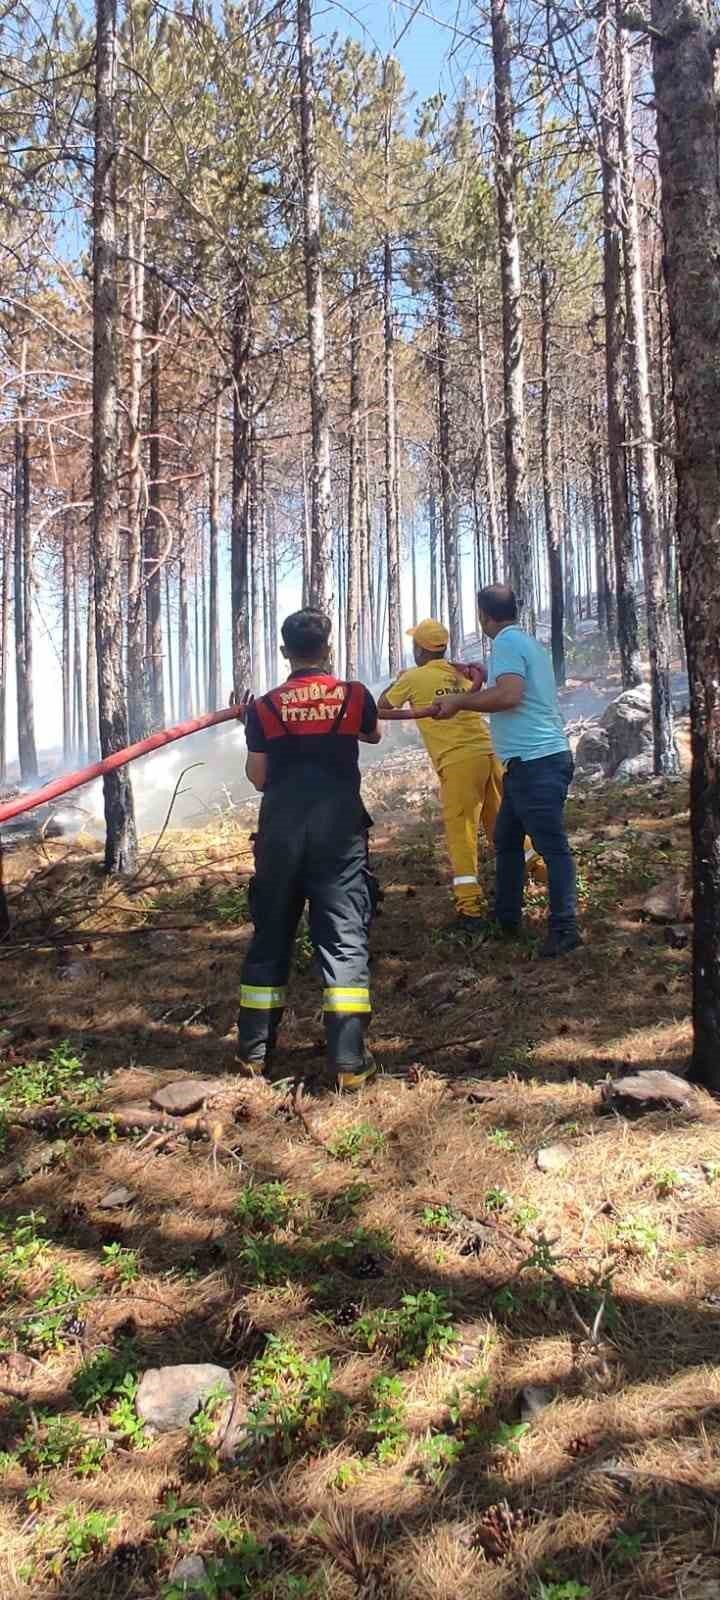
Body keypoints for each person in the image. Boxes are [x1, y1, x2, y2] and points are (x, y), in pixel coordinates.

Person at [238, 608, 380, 1090]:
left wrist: (253, 728)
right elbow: (372, 732)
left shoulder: (263, 708)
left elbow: (258, 777)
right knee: (343, 939)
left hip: (279, 834)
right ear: (329, 647)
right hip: (339, 836)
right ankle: (347, 1065)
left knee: (271, 936)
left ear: (284, 652)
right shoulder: (354, 696)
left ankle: (254, 1058)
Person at [435, 584, 580, 958]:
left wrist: (460, 702)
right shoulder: (525, 643)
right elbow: (513, 687)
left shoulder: (505, 644)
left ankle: (565, 928)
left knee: (552, 847)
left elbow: (509, 695)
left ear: (484, 615)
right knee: (506, 840)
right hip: (524, 764)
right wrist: (483, 676)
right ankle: (507, 919)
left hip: (538, 761)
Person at [376, 619, 505, 928]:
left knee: (462, 834)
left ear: (419, 649)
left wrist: (401, 682)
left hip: (459, 762)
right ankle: (541, 875)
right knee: (502, 826)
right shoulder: (461, 674)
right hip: (490, 754)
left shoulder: (415, 676)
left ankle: (470, 909)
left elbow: (382, 705)